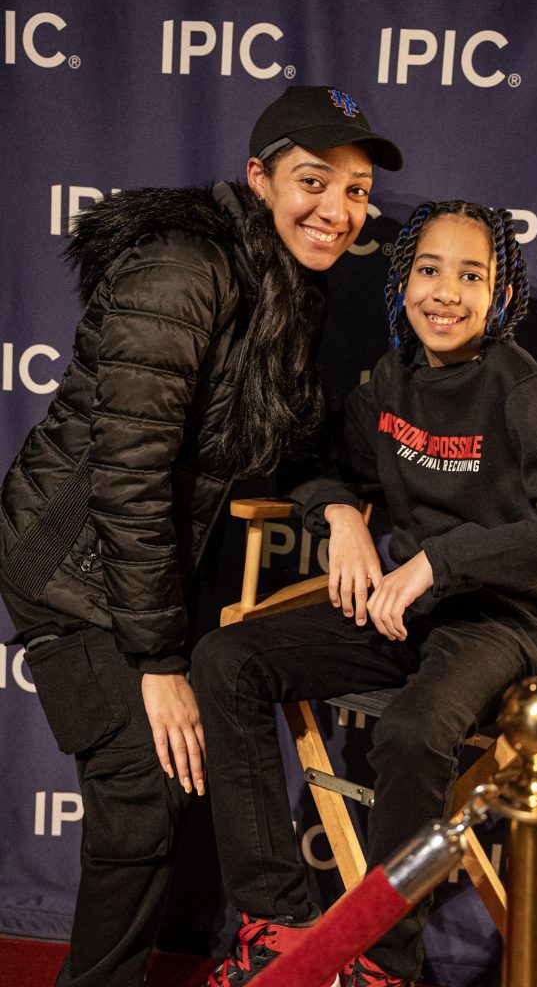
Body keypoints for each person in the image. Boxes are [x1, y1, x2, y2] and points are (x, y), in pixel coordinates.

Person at [0, 85, 402, 987]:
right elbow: (128, 473)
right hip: (66, 563)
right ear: (260, 178)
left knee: (151, 802)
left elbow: (293, 436)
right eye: (313, 182)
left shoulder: (287, 284)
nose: (337, 210)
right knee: (143, 797)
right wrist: (157, 661)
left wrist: (337, 509)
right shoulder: (182, 267)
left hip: (134, 568)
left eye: (357, 192)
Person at [191, 198, 537, 986]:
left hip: (496, 621)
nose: (446, 293)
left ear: (501, 294)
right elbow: (313, 464)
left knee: (412, 730)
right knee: (227, 660)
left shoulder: (520, 388)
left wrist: (440, 562)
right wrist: (340, 516)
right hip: (402, 612)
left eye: (471, 276)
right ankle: (277, 926)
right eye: (429, 270)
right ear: (401, 283)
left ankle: (382, 965)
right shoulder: (392, 380)